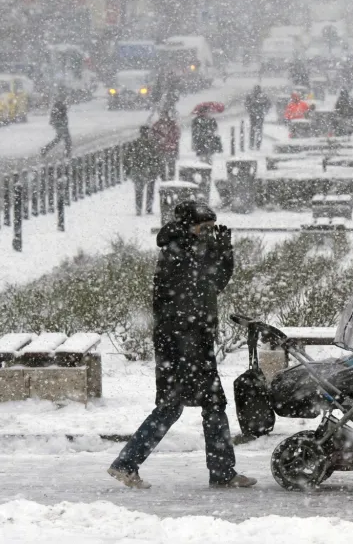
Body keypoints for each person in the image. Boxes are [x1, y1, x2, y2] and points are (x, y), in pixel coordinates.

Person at [109, 200, 256, 489]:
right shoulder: (177, 252)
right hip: (182, 344)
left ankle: (220, 471)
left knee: (194, 406)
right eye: (205, 227)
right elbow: (196, 288)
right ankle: (129, 464)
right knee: (191, 406)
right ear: (190, 226)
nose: (209, 233)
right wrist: (215, 253)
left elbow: (214, 283)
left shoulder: (189, 249)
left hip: (191, 341)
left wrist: (223, 253)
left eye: (212, 228)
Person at [127, 126, 164, 215]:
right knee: (149, 190)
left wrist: (129, 169)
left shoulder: (135, 144)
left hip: (139, 170)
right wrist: (158, 169)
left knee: (139, 190)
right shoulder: (152, 144)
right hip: (149, 170)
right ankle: (148, 208)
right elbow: (158, 158)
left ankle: (139, 209)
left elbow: (128, 157)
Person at [151, 109, 180, 180]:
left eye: (164, 114)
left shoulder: (173, 124)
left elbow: (177, 135)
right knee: (162, 166)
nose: (163, 116)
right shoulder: (157, 125)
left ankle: (171, 179)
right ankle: (163, 180)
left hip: (171, 149)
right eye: (161, 115)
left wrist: (171, 141)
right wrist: (158, 140)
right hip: (161, 149)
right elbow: (152, 136)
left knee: (171, 166)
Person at [245, 85, 270, 150]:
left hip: (256, 114)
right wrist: (264, 110)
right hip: (257, 114)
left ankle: (253, 144)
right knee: (258, 130)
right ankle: (256, 145)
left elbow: (247, 104)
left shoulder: (252, 96)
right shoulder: (262, 96)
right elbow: (268, 104)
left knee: (254, 130)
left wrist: (250, 110)